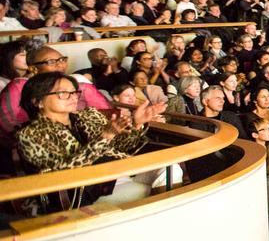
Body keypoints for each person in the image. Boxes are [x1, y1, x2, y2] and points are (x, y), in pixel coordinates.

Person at [17, 72, 165, 206]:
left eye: (74, 92)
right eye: (63, 93)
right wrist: (105, 136)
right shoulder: (31, 134)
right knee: (161, 191)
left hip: (117, 173)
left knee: (168, 169)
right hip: (84, 192)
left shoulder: (88, 115)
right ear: (38, 101)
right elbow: (64, 171)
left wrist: (137, 123)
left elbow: (120, 147)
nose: (73, 97)